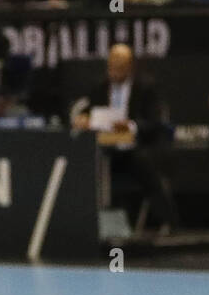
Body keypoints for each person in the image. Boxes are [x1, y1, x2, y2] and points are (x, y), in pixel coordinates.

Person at [73, 43, 179, 231]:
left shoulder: (146, 87)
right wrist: (84, 119)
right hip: (108, 148)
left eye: (120, 66)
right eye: (112, 65)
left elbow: (154, 121)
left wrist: (128, 127)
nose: (114, 71)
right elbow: (89, 112)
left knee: (143, 163)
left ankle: (167, 219)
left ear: (130, 66)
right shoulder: (99, 87)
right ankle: (88, 222)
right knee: (90, 162)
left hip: (139, 146)